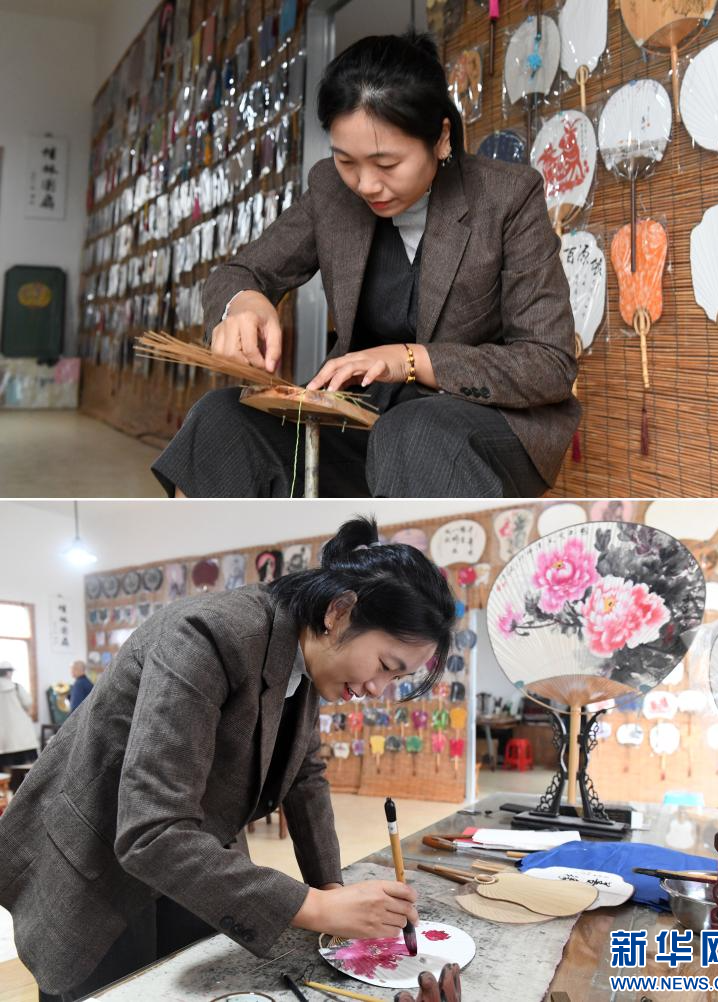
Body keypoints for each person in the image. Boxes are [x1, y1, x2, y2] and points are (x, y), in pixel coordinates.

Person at [0, 517, 456, 1001]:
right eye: (385, 666)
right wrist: (316, 908)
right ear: (339, 612)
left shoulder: (307, 655)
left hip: (194, 849)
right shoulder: (206, 637)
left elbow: (305, 776)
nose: (377, 690)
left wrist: (330, 889)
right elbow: (150, 833)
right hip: (98, 857)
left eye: (395, 679)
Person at [152, 31, 578, 500]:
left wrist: (408, 360)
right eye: (346, 161)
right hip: (365, 415)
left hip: (481, 419)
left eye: (387, 164)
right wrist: (243, 303)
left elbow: (548, 363)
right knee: (221, 420)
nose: (366, 184)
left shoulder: (506, 197)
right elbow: (241, 272)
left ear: (440, 138)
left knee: (415, 433)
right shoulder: (333, 193)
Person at [0, 662, 39, 770]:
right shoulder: (16, 687)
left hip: (4, 739)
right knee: (26, 769)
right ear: (8, 673)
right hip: (21, 738)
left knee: (5, 771)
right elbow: (28, 703)